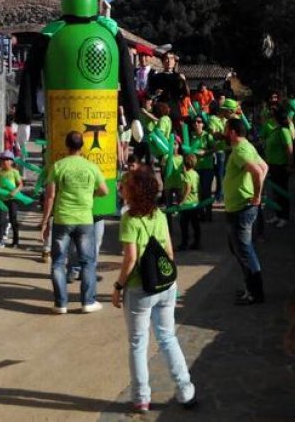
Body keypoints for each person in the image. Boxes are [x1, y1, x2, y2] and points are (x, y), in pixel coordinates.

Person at [111, 167, 197, 414]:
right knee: (168, 337)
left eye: (125, 185)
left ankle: (141, 398)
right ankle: (185, 390)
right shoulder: (159, 215)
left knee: (138, 343)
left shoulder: (129, 219)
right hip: (166, 285)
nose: (121, 188)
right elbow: (169, 252)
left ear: (134, 192)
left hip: (140, 289)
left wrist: (118, 286)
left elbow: (130, 259)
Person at [41, 130, 108, 314]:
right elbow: (104, 190)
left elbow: (50, 195)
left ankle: (61, 303)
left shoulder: (58, 166)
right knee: (88, 262)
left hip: (63, 218)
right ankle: (87, 301)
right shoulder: (91, 167)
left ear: (67, 145)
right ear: (82, 146)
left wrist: (45, 221)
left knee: (58, 263)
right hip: (85, 219)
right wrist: (90, 194)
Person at [223, 117, 268, 305]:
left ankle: (255, 293)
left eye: (226, 129)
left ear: (232, 132)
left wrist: (257, 195)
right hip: (240, 207)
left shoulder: (241, 150)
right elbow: (265, 167)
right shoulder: (247, 147)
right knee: (238, 248)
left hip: (241, 209)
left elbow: (258, 172)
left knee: (244, 250)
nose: (224, 132)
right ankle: (250, 288)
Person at [263, 109, 294, 228]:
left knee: (282, 192)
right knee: (275, 192)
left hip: (281, 166)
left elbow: (289, 149)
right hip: (273, 166)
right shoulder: (276, 130)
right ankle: (277, 215)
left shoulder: (284, 131)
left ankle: (284, 217)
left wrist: (289, 165)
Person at [0, 150, 23, 249]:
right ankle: (0, 240)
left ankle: (16, 240)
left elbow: (20, 184)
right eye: (2, 160)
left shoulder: (15, 172)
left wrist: (15, 191)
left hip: (12, 200)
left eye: (6, 160)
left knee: (13, 220)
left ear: (11, 161)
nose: (4, 162)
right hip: (1, 200)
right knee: (0, 220)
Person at [175, 153, 202, 250]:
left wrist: (182, 201)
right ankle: (197, 242)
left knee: (184, 225)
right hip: (195, 202)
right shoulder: (196, 174)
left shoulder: (187, 175)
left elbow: (187, 189)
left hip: (188, 204)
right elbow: (199, 187)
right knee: (195, 224)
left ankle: (184, 243)